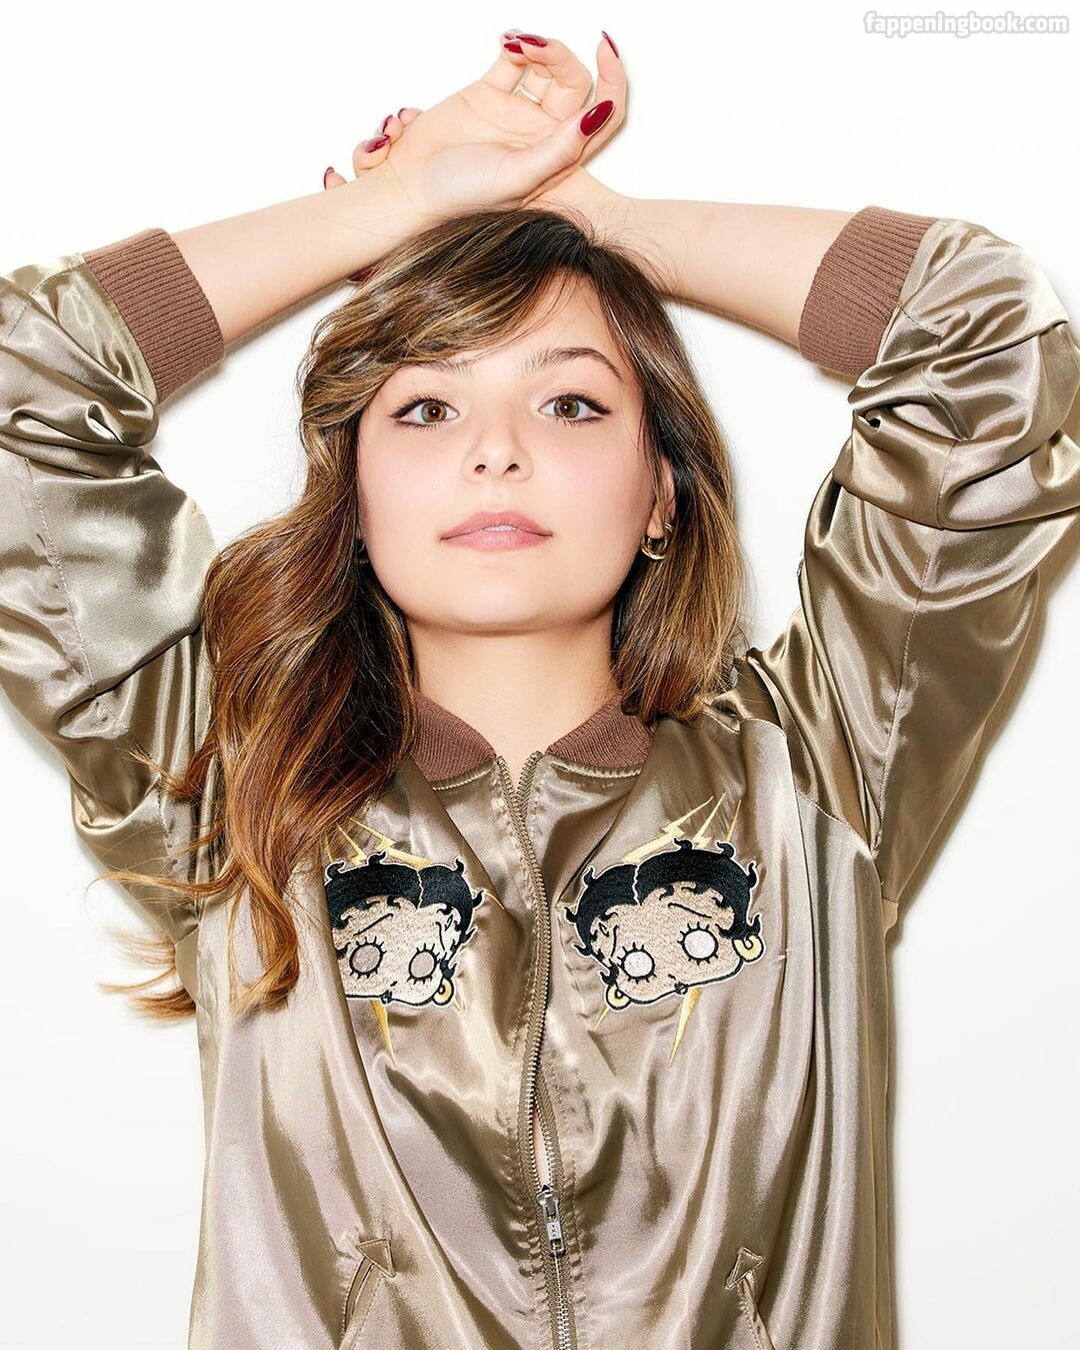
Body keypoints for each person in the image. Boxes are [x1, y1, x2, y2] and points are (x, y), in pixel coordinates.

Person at [1, 26, 1077, 1350]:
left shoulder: (818, 774)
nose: (496, 452)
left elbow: (985, 345)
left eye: (568, 404)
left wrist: (590, 220)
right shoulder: (231, 795)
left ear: (663, 492)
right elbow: (19, 386)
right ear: (353, 500)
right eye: (425, 409)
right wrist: (392, 205)